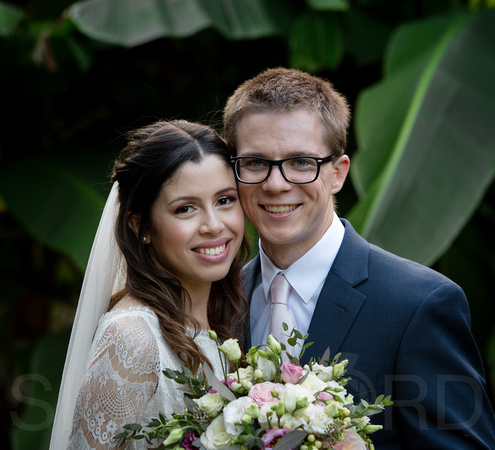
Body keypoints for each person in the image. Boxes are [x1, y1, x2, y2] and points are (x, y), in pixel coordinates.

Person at [223, 67, 495, 448]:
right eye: (255, 162)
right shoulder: (216, 298)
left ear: (337, 173)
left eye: (301, 162)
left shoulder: (419, 304)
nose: (275, 183)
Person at [50, 120, 249, 449]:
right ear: (141, 226)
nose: (214, 226)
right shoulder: (133, 339)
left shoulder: (223, 318)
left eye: (225, 200)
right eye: (186, 209)